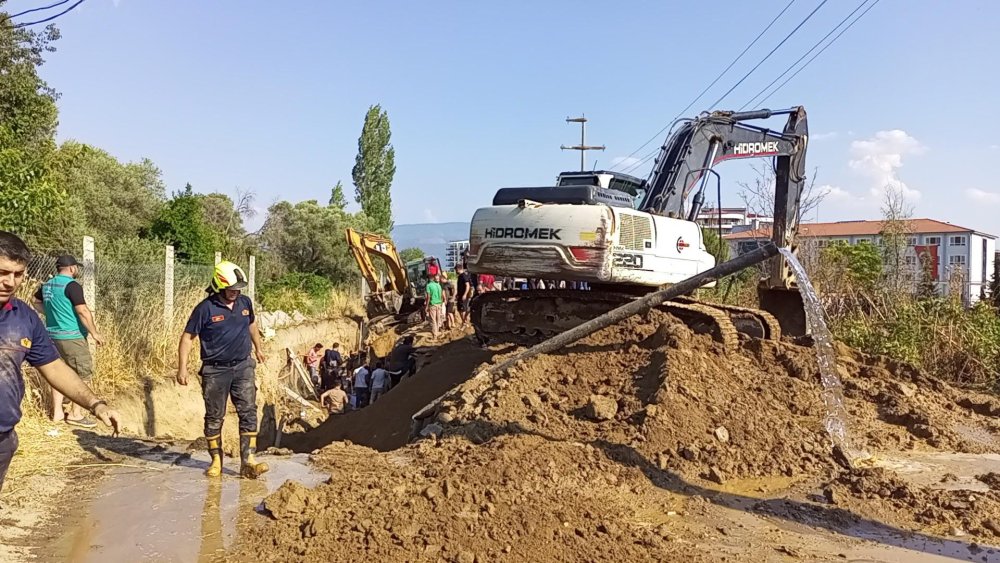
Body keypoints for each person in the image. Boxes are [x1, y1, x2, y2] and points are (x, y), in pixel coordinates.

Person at [0, 232, 121, 492]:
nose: (10, 282)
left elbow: (54, 367)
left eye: (18, 274)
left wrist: (96, 405)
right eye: (3, 272)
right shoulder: (69, 285)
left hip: (2, 438)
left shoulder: (25, 318)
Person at [176, 260, 268, 479]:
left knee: (248, 411)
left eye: (238, 289)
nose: (235, 292)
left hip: (243, 366)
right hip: (215, 371)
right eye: (231, 289)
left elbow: (252, 325)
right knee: (215, 416)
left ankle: (249, 460)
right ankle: (216, 460)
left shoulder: (245, 303)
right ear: (219, 285)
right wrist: (183, 368)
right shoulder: (205, 309)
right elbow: (187, 338)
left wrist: (259, 348)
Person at [32, 255, 105, 427]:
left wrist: (50, 314)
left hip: (51, 335)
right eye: (76, 268)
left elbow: (34, 301)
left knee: (58, 373)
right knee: (83, 373)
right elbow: (83, 311)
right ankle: (75, 413)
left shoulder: (48, 285)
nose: (77, 270)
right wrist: (94, 333)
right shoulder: (72, 286)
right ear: (72, 268)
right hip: (71, 336)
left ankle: (57, 413)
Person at [425, 273, 444, 339]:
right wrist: (441, 303)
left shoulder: (428, 286)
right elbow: (442, 295)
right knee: (438, 319)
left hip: (432, 304)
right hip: (439, 304)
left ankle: (435, 336)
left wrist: (426, 306)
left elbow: (428, 297)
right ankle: (438, 332)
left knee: (433, 320)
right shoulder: (438, 285)